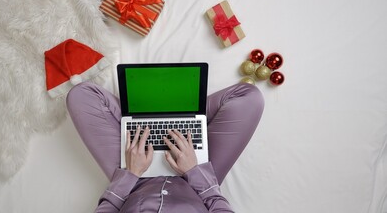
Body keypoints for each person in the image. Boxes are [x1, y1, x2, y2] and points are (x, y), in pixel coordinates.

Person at [66, 81, 264, 213]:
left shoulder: (131, 175)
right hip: (195, 182)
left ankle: (143, 116)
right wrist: (194, 171)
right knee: (249, 97)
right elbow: (220, 208)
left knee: (81, 94)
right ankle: (185, 114)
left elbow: (108, 208)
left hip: (135, 181)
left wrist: (131, 173)